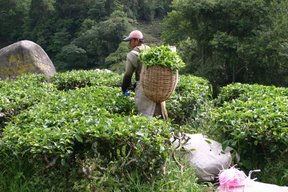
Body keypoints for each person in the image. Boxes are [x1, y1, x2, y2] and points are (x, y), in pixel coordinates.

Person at [121, 30, 168, 119]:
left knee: (145, 118)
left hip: (144, 90)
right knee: (158, 117)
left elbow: (128, 74)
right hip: (157, 88)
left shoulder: (133, 54)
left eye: (130, 41)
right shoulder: (150, 50)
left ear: (136, 40)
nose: (129, 44)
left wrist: (124, 88)